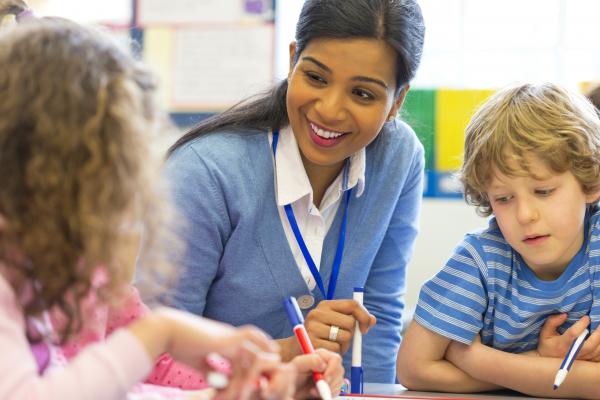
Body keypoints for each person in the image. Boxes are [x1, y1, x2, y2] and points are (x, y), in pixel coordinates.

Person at [0, 2, 344, 399]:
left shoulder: (81, 265)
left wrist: (256, 386)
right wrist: (160, 331)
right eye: (110, 155)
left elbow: (146, 373)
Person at [163, 0, 425, 383]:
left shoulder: (398, 157)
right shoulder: (204, 172)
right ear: (292, 61)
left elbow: (378, 318)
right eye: (316, 77)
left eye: (362, 94)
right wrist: (284, 353)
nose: (330, 110)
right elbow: (156, 354)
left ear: (396, 102)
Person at [397, 82, 600, 399]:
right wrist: (537, 363)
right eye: (504, 198)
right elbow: (414, 368)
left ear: (591, 183)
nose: (525, 215)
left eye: (543, 191)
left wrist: (477, 360)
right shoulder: (479, 260)